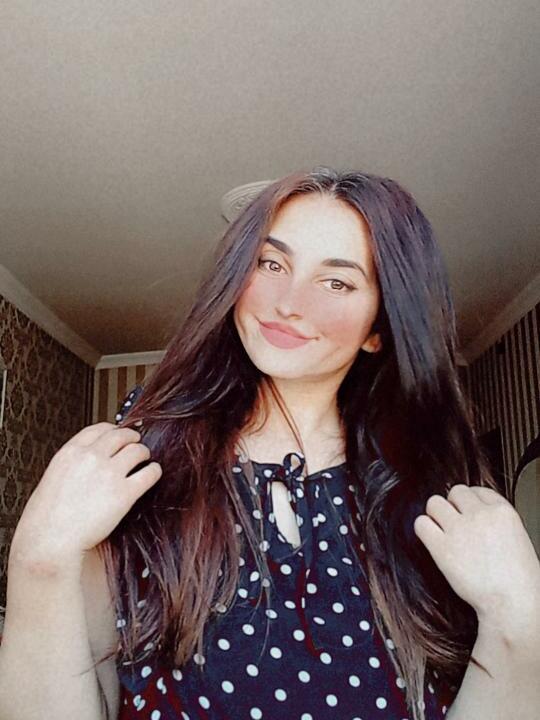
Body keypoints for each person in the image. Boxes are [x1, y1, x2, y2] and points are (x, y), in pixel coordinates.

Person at [1, 167, 539, 720]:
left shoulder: (428, 489)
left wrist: (519, 624)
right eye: (271, 263)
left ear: (379, 328)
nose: (288, 302)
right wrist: (39, 560)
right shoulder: (149, 449)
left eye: (337, 282)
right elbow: (88, 690)